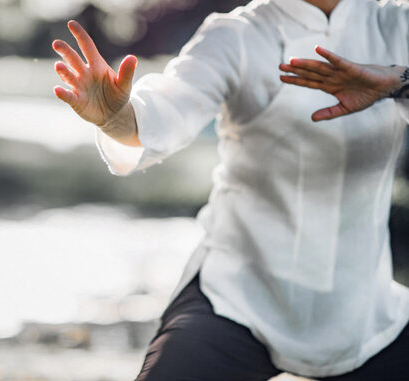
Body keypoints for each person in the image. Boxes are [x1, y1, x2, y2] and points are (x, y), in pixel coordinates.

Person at [51, 0, 409, 379]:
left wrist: (398, 82)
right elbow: (166, 109)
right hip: (236, 296)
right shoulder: (236, 35)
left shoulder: (396, 25)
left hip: (364, 311)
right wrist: (116, 116)